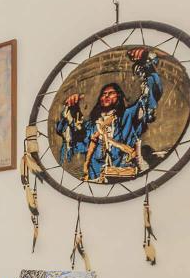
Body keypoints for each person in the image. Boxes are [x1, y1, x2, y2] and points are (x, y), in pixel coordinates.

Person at [55, 47, 163, 182]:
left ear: (119, 97)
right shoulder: (91, 127)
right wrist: (71, 109)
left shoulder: (128, 116)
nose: (106, 96)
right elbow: (73, 139)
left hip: (127, 178)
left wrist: (146, 64)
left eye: (110, 93)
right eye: (103, 94)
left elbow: (151, 96)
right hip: (96, 181)